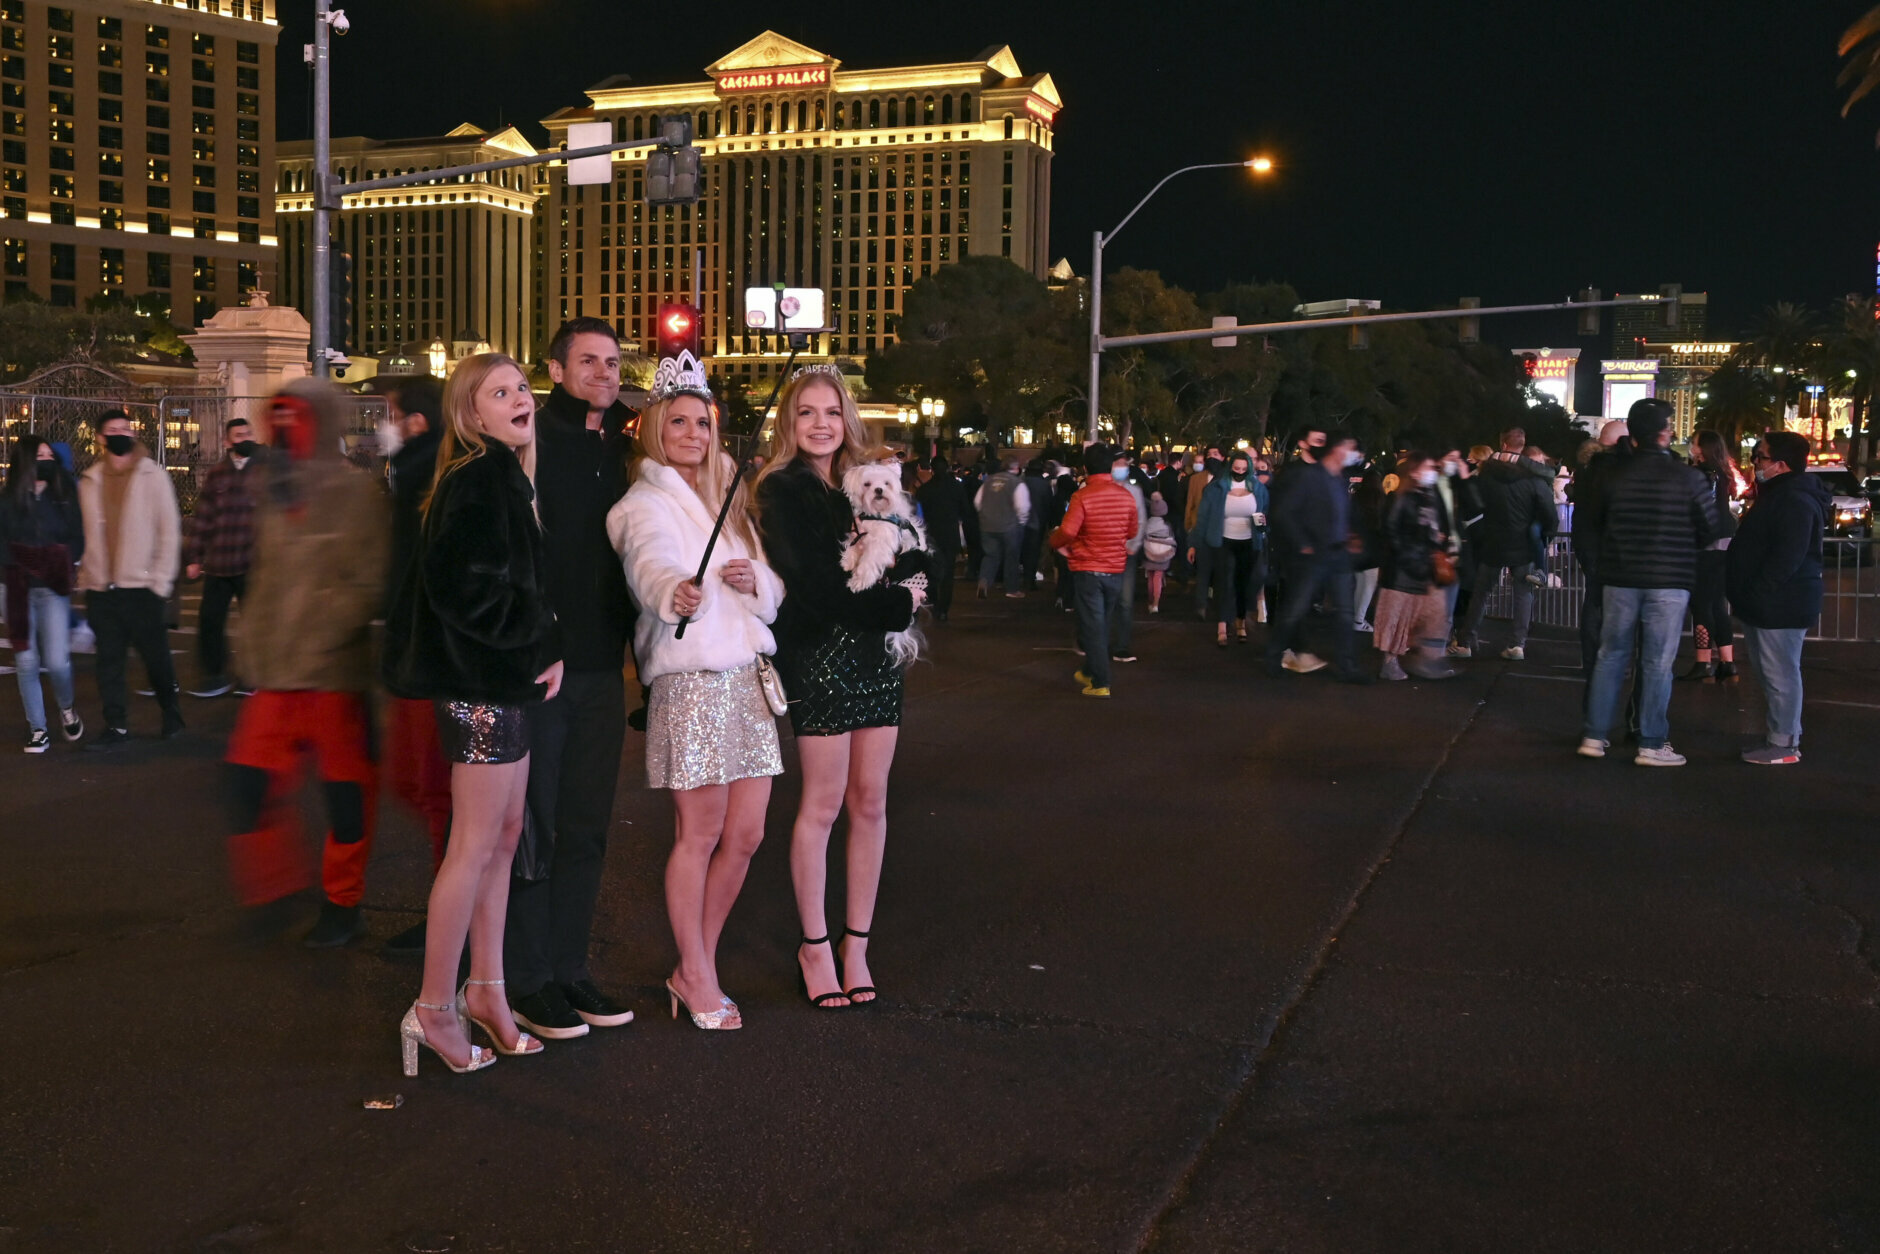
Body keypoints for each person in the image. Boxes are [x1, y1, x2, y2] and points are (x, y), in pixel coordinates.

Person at [384, 351, 563, 1074]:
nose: (520, 399)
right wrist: (531, 640)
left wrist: (537, 643)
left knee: (502, 835)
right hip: (482, 689)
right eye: (500, 392)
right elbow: (463, 590)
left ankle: (485, 989)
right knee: (475, 844)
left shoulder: (503, 476)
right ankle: (433, 1006)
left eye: (522, 388)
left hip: (501, 684)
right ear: (470, 413)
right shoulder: (480, 476)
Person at [611, 369, 783, 1029]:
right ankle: (699, 972)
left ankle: (694, 965)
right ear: (655, 429)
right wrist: (672, 591)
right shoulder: (640, 506)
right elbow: (647, 562)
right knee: (700, 833)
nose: (691, 433)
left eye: (702, 423)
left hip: (748, 679)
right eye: (677, 421)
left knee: (746, 835)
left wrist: (755, 578)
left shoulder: (728, 500)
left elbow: (768, 587)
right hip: (690, 683)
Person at [754, 367, 925, 1010]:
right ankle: (815, 945)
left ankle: (857, 942)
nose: (821, 423)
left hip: (876, 658)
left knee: (872, 802)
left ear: (847, 418)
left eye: (831, 411)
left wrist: (909, 582)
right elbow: (818, 592)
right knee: (822, 804)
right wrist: (896, 607)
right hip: (820, 653)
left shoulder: (868, 481)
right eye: (806, 413)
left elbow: (914, 552)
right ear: (788, 424)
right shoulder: (781, 489)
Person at [502, 317, 639, 1041]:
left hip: (604, 669)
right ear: (556, 369)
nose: (605, 373)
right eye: (589, 361)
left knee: (586, 827)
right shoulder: (531, 442)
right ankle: (525, 980)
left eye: (613, 362)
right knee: (535, 828)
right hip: (542, 671)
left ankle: (569, 966)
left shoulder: (629, 443)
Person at [222, 382, 390, 948]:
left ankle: (344, 904)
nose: (284, 434)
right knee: (246, 785)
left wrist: (317, 636)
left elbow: (368, 583)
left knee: (345, 801)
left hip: (332, 679)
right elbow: (264, 580)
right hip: (275, 677)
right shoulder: (275, 492)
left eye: (296, 421)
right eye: (279, 422)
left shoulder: (355, 492)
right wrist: (251, 646)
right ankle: (276, 888)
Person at [1577, 399, 1721, 766]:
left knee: (1610, 657)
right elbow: (1711, 527)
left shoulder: (1612, 475)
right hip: (1669, 580)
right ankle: (1651, 742)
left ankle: (1594, 735)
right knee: (1657, 663)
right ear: (1664, 432)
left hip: (1620, 577)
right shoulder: (1687, 477)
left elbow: (1593, 523)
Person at [378, 375, 453, 957]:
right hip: (416, 647)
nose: (388, 424)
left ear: (419, 420)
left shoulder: (426, 473)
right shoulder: (413, 471)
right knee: (422, 786)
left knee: (434, 790)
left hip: (426, 653)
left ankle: (451, 919)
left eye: (393, 413)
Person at [77, 409, 184, 749]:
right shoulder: (90, 480)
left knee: (156, 658)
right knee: (109, 662)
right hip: (103, 589)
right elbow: (84, 534)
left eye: (127, 428)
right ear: (100, 438)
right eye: (114, 429)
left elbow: (169, 530)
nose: (123, 433)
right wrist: (87, 576)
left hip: (142, 588)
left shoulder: (152, 475)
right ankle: (116, 725)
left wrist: (160, 582)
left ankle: (171, 711)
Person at [1726, 431, 1828, 765]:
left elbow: (1788, 556)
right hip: (1771, 602)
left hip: (1780, 604)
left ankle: (1784, 744)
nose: (1756, 462)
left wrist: (1757, 591)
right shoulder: (1781, 494)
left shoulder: (1793, 499)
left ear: (1781, 465)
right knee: (1774, 673)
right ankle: (1781, 739)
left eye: (1761, 456)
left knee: (1780, 674)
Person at [1, 435, 84, 750]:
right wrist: (25, 561)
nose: (47, 460)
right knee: (26, 660)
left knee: (58, 660)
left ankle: (66, 707)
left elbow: (78, 537)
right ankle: (38, 727)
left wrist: (62, 562)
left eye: (51, 455)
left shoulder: (63, 495)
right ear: (25, 461)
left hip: (51, 587)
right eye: (40, 455)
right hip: (14, 588)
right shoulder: (8, 500)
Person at [1266, 431, 1367, 682]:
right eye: (1349, 447)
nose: (1353, 454)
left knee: (1345, 611)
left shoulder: (1340, 479)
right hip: (1314, 556)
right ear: (1337, 449)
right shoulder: (1308, 476)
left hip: (1338, 553)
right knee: (1296, 609)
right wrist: (1302, 543)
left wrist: (1351, 536)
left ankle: (1347, 667)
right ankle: (1273, 657)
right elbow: (1283, 513)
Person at [1453, 427, 1555, 661]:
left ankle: (1465, 642)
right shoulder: (1533, 478)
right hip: (1523, 543)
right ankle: (1517, 644)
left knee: (1481, 592)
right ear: (1523, 444)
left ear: (1503, 444)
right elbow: (1548, 511)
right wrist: (1545, 534)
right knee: (1523, 593)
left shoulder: (1487, 474)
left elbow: (1476, 505)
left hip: (1493, 541)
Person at [1047, 443, 1140, 698]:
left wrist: (1055, 542)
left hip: (1088, 568)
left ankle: (1101, 681)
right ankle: (1090, 670)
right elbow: (1132, 531)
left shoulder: (1082, 496)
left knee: (1092, 626)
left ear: (1085, 468)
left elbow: (1067, 531)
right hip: (1115, 569)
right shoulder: (1126, 496)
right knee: (1101, 623)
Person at [182, 418, 260, 697]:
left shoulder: (264, 471)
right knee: (210, 620)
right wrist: (194, 557)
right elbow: (203, 518)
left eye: (248, 433)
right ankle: (215, 674)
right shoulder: (217, 475)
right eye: (239, 435)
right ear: (228, 442)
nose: (245, 438)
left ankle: (253, 675)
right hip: (220, 561)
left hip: (253, 562)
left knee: (254, 623)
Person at [1375, 453, 1459, 681]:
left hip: (1424, 564)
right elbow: (1391, 532)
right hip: (1405, 568)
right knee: (1399, 616)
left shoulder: (1428, 496)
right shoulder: (1401, 497)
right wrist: (1411, 555)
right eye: (1428, 466)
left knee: (1432, 614)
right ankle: (1392, 662)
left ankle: (1426, 659)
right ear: (1414, 471)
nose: (1432, 471)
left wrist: (1438, 541)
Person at [1189, 449, 1269, 646]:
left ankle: (1240, 622)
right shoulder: (1216, 488)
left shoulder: (1258, 488)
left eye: (1243, 469)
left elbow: (1264, 514)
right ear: (1230, 468)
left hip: (1250, 542)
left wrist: (1264, 530)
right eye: (1236, 468)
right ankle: (1222, 625)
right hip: (1222, 541)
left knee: (1243, 583)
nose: (1240, 472)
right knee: (1225, 583)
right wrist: (1194, 544)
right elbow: (1202, 518)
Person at [1682, 429, 1741, 683]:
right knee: (1717, 602)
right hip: (1725, 540)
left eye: (1694, 444)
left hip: (1704, 543)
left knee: (1700, 604)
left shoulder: (1698, 474)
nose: (1691, 447)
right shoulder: (1724, 474)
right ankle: (1728, 662)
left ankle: (1703, 661)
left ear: (1702, 449)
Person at [1110, 449, 1148, 664]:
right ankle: (1093, 641)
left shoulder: (1134, 491)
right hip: (1104, 551)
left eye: (1124, 464)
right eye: (1118, 464)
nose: (1121, 468)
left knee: (1125, 601)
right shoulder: (1099, 488)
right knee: (1103, 600)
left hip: (1126, 552)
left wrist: (1134, 544)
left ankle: (1122, 646)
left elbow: (1141, 519)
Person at [914, 457, 963, 622]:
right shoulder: (956, 487)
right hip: (950, 533)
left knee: (931, 569)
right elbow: (965, 510)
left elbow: (918, 515)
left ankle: (934, 602)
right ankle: (944, 609)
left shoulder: (925, 490)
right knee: (948, 572)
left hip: (930, 534)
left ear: (932, 470)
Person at [974, 457, 1030, 599]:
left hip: (987, 525)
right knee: (1012, 557)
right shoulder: (1017, 483)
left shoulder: (988, 481)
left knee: (990, 555)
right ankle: (1011, 589)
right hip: (1009, 526)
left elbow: (977, 502)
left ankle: (984, 581)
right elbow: (1022, 507)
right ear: (1016, 469)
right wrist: (1021, 522)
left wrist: (985, 515)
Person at [1141, 493, 1177, 613]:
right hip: (1163, 555)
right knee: (1158, 577)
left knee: (1150, 578)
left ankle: (1150, 602)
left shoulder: (1147, 523)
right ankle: (1156, 603)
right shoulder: (1167, 525)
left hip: (1149, 553)